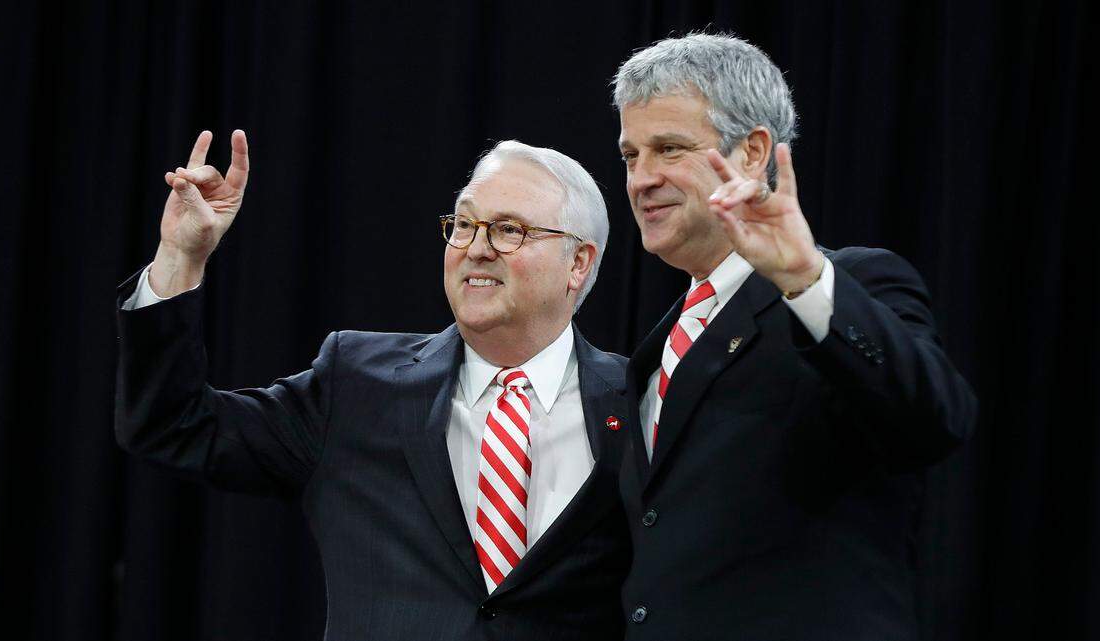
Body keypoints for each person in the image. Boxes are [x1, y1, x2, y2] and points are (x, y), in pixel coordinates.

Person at [114, 132, 631, 640]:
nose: (476, 248)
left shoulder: (637, 400)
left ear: (578, 263)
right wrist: (181, 257)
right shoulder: (358, 383)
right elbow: (174, 427)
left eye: (509, 230)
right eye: (466, 224)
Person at [612, 33, 978, 639]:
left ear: (754, 152)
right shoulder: (655, 349)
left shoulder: (848, 285)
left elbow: (937, 417)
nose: (641, 179)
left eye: (668, 149)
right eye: (630, 155)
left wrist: (805, 279)